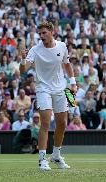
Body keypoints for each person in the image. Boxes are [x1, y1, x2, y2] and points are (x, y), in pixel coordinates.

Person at [19, 21, 77, 171]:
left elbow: (67, 65)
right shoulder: (35, 49)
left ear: (52, 32)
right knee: (45, 123)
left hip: (60, 89)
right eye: (40, 33)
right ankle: (42, 159)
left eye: (44, 33)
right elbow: (23, 70)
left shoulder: (62, 46)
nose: (42, 36)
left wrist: (73, 83)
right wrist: (22, 59)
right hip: (43, 88)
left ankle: (56, 155)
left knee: (62, 124)